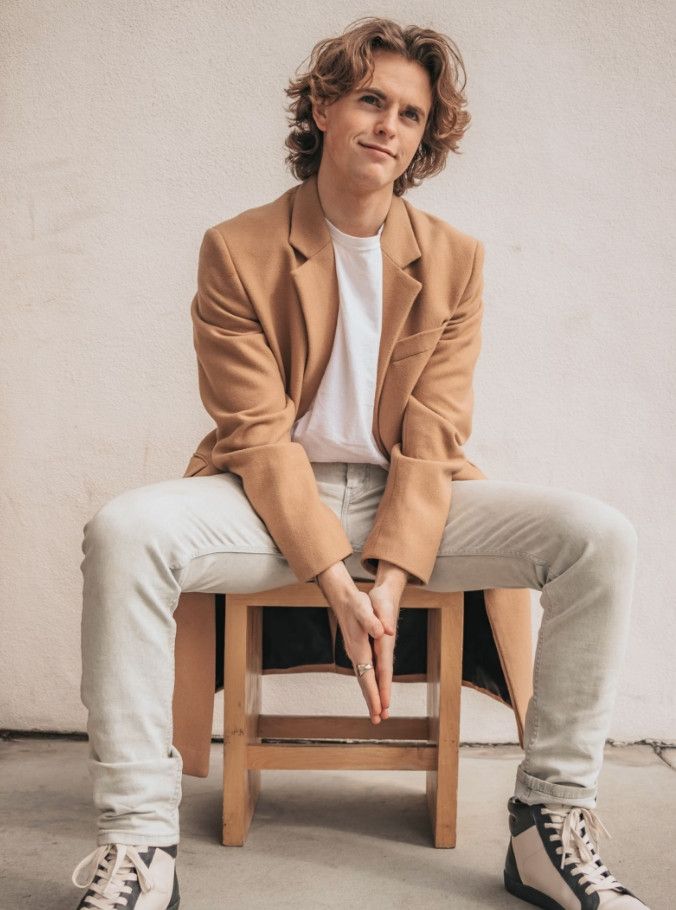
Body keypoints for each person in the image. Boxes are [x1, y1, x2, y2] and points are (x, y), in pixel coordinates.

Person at [70, 16, 650, 910]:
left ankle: (548, 825)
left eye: (410, 114)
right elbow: (255, 434)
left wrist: (394, 575)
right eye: (371, 100)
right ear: (322, 108)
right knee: (122, 532)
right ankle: (140, 842)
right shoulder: (237, 247)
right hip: (265, 500)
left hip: (410, 498)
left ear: (424, 137)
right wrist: (339, 582)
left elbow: (434, 433)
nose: (388, 125)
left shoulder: (456, 260)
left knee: (599, 537)